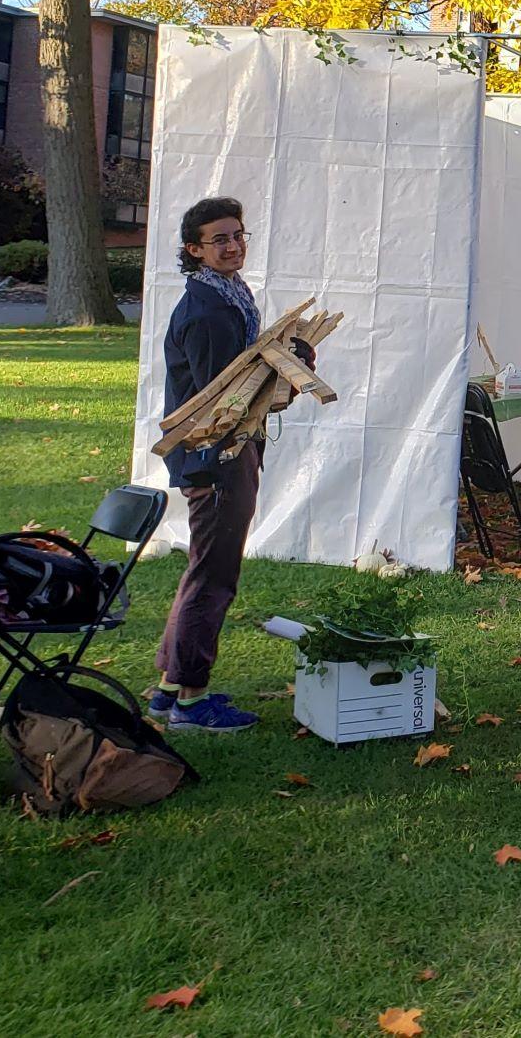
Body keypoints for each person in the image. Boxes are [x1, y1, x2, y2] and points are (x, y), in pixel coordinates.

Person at [150, 196, 308, 733]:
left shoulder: (226, 295)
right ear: (194, 249)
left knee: (205, 566)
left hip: (224, 452)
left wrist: (288, 357)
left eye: (238, 235)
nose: (234, 245)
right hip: (215, 454)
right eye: (220, 239)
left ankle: (169, 686)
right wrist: (289, 369)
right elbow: (227, 398)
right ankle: (191, 700)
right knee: (214, 574)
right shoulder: (208, 308)